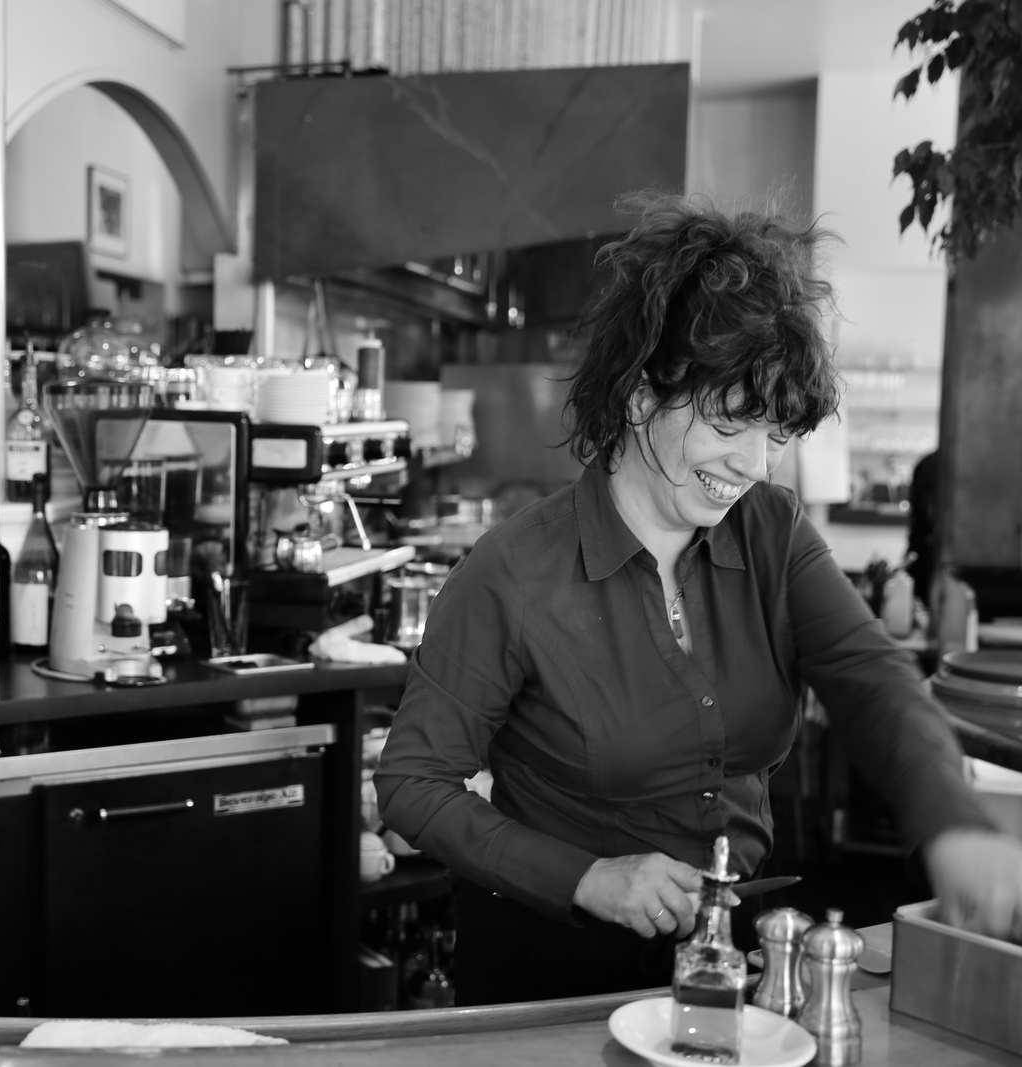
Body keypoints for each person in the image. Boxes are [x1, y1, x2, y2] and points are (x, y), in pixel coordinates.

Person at [375, 195, 1022, 1005]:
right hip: (550, 977)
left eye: (777, 432)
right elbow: (412, 780)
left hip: (735, 962)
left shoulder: (772, 533)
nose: (755, 462)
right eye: (730, 422)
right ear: (643, 394)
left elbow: (873, 680)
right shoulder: (510, 573)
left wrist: (955, 824)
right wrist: (589, 877)